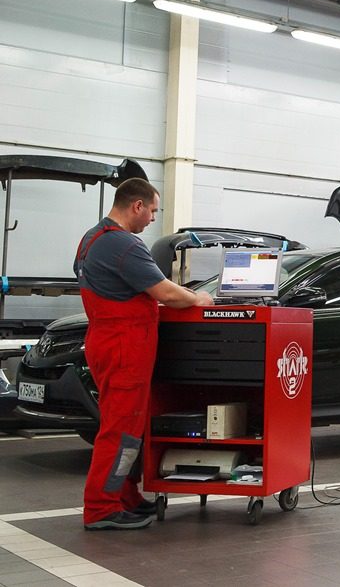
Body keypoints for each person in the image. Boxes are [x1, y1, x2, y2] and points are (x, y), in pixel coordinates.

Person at [74, 178, 213, 530]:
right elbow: (167, 293)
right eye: (152, 210)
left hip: (108, 344)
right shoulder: (122, 244)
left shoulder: (91, 238)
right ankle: (100, 508)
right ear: (137, 206)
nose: (152, 218)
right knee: (120, 429)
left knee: (129, 427)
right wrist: (199, 298)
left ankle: (125, 496)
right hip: (124, 348)